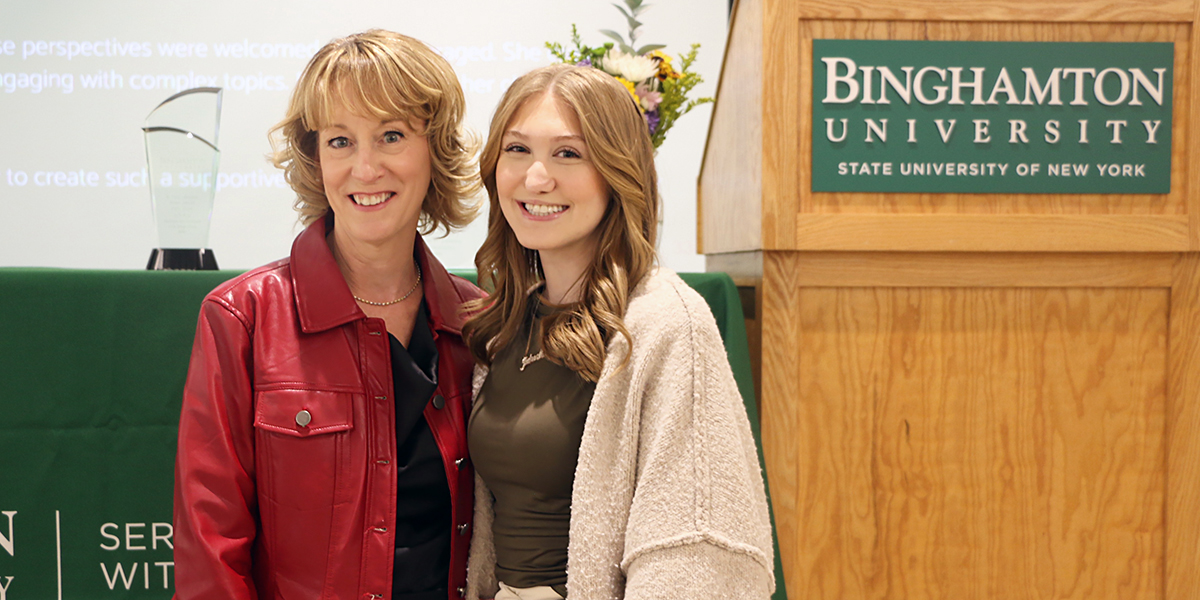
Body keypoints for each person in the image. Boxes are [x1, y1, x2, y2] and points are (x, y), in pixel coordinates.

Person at [172, 30, 484, 600]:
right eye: (340, 141)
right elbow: (210, 552)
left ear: (434, 150)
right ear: (315, 159)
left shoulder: (477, 322)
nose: (364, 168)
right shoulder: (241, 318)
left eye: (391, 136)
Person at [461, 63, 774, 600]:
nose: (536, 178)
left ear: (617, 172)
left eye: (568, 153)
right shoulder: (505, 326)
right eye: (517, 150)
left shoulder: (666, 323)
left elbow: (692, 553)